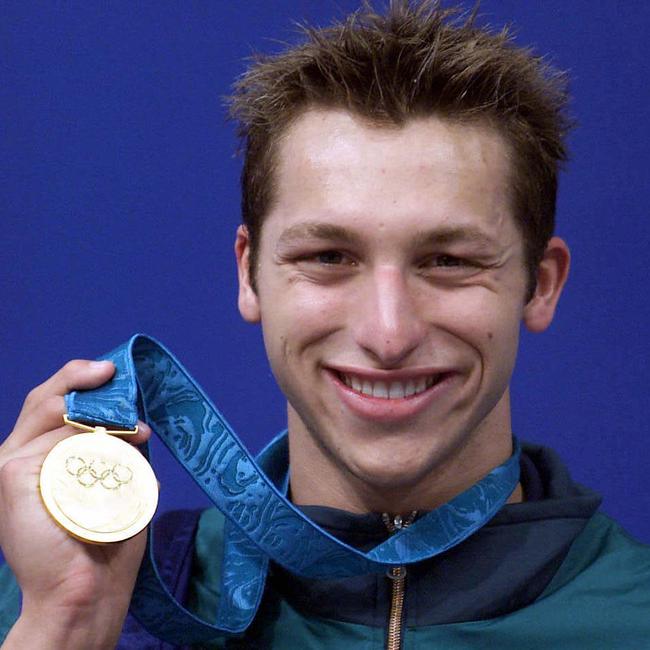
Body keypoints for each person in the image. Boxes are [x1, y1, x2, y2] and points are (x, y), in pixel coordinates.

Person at [1, 1, 649, 648]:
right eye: (329, 257)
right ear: (249, 273)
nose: (388, 334)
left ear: (541, 284)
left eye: (448, 261)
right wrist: (67, 623)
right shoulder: (65, 599)